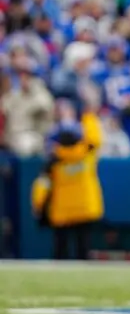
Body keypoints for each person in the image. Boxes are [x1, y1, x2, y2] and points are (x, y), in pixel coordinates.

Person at [30, 101, 104, 260]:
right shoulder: (87, 153)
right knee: (83, 249)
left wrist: (38, 205)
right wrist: (88, 115)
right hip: (85, 208)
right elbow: (95, 137)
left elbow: (42, 186)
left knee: (60, 251)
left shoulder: (53, 160)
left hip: (62, 211)